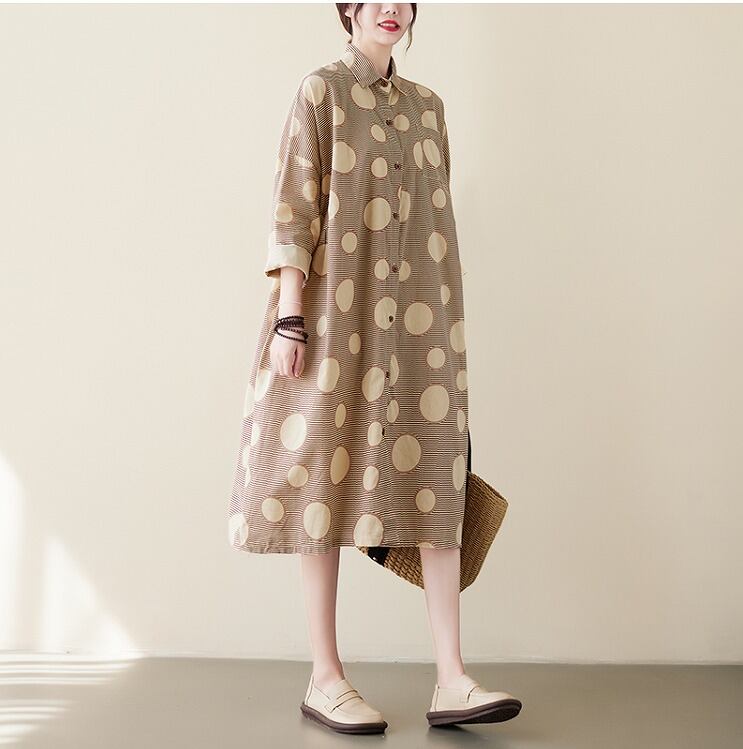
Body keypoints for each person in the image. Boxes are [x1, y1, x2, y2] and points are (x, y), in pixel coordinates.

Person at [228, 2, 522, 734]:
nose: (390, 7)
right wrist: (290, 316)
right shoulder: (320, 92)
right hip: (335, 318)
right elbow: (294, 206)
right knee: (322, 482)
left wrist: (445, 324)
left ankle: (452, 677)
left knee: (439, 478)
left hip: (422, 325)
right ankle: (324, 676)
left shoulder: (428, 110)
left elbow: (435, 225)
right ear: (348, 9)